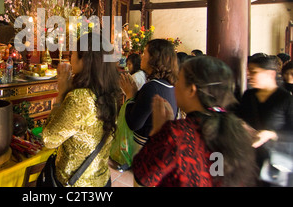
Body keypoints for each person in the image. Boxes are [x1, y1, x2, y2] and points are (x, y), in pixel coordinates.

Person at [133, 56, 257, 187]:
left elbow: (142, 178)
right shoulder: (238, 132)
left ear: (191, 90)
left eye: (179, 80)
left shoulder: (176, 133)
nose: (174, 85)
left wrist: (157, 132)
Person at [41, 32, 121, 187]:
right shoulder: (111, 92)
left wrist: (61, 94)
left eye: (73, 54)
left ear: (84, 59)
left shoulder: (80, 98)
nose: (70, 58)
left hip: (75, 182)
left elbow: (49, 139)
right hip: (102, 179)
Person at [235, 54, 293, 185]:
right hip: (250, 161)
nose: (249, 76)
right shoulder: (248, 96)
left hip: (275, 163)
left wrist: (271, 134)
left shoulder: (285, 99)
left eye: (254, 72)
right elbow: (239, 118)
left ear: (270, 74)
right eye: (249, 72)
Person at [120, 39, 178, 154]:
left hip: (142, 150)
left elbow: (134, 124)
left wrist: (130, 95)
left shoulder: (152, 87)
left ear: (154, 58)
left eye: (145, 53)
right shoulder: (169, 85)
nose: (142, 56)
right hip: (158, 147)